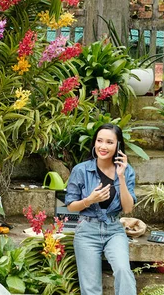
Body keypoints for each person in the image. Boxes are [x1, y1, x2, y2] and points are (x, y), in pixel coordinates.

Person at [65, 123, 137, 295]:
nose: (103, 146)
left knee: (123, 270)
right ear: (94, 143)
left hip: (114, 230)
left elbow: (128, 209)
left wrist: (120, 176)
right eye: (99, 141)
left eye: (110, 142)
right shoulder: (81, 170)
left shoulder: (126, 171)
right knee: (90, 287)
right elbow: (70, 206)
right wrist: (89, 200)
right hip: (87, 231)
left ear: (118, 146)